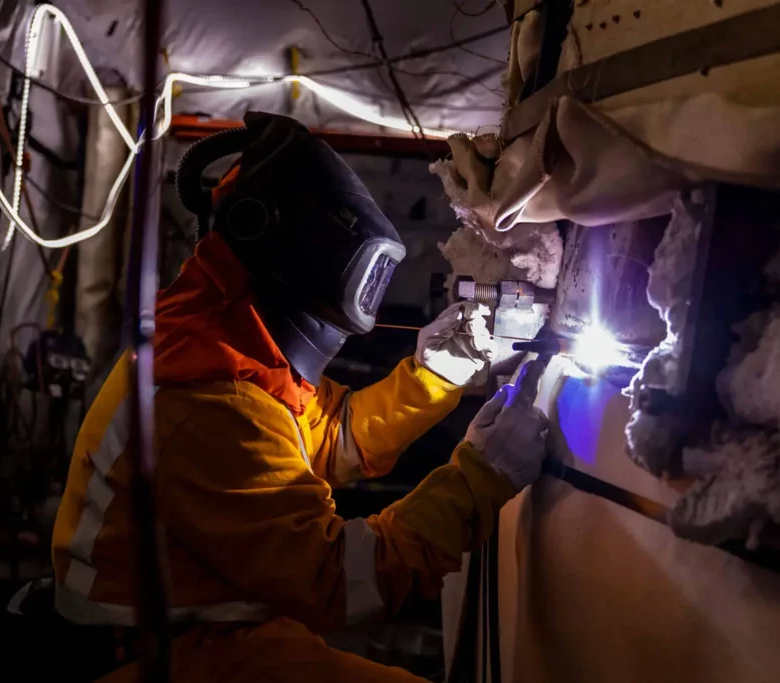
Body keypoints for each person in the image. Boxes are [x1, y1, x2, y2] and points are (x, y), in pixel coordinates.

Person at [51, 112, 550, 682]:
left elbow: (329, 438)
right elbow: (340, 581)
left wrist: (433, 375)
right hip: (168, 656)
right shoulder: (204, 398)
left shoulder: (229, 350)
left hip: (213, 629)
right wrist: (481, 478)